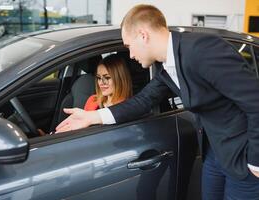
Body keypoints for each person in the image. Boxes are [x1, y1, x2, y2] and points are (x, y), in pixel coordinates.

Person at [56, 4, 259, 199]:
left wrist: (255, 160)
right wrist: (92, 116)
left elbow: (256, 102)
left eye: (129, 46)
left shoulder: (203, 50)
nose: (131, 55)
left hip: (243, 156)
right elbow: (143, 100)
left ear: (143, 35)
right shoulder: (167, 67)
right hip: (214, 151)